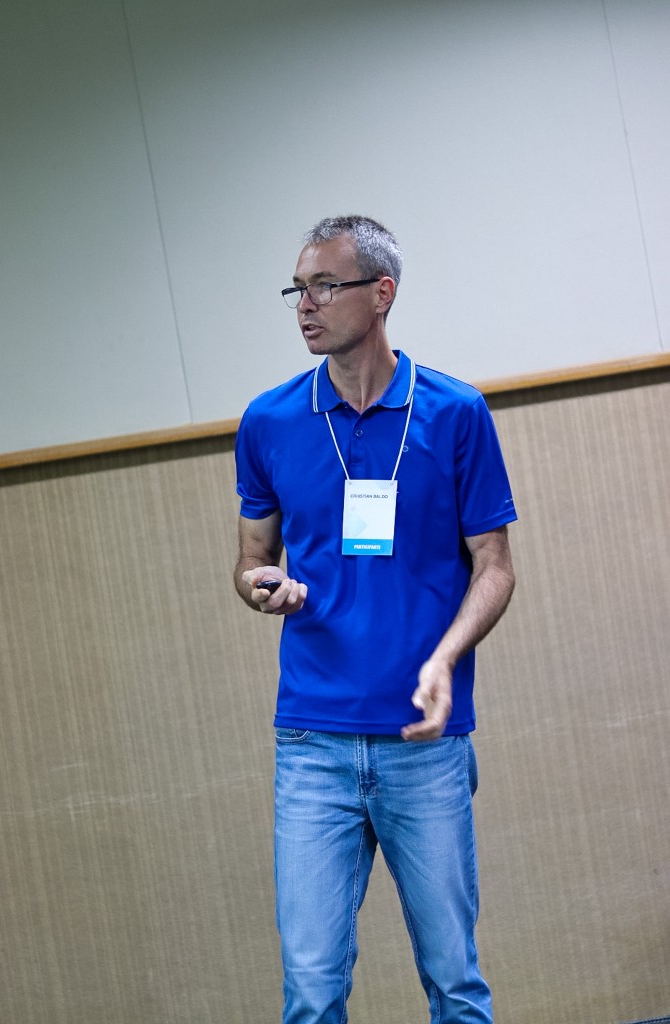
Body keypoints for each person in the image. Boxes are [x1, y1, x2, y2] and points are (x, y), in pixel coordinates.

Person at [233, 215, 517, 1024]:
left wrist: (444, 658)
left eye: (324, 285)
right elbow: (250, 557)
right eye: (297, 289)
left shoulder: (454, 412)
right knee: (311, 992)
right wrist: (261, 586)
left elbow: (494, 567)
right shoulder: (269, 420)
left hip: (421, 743)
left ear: (381, 292)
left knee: (454, 983)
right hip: (311, 743)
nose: (304, 305)